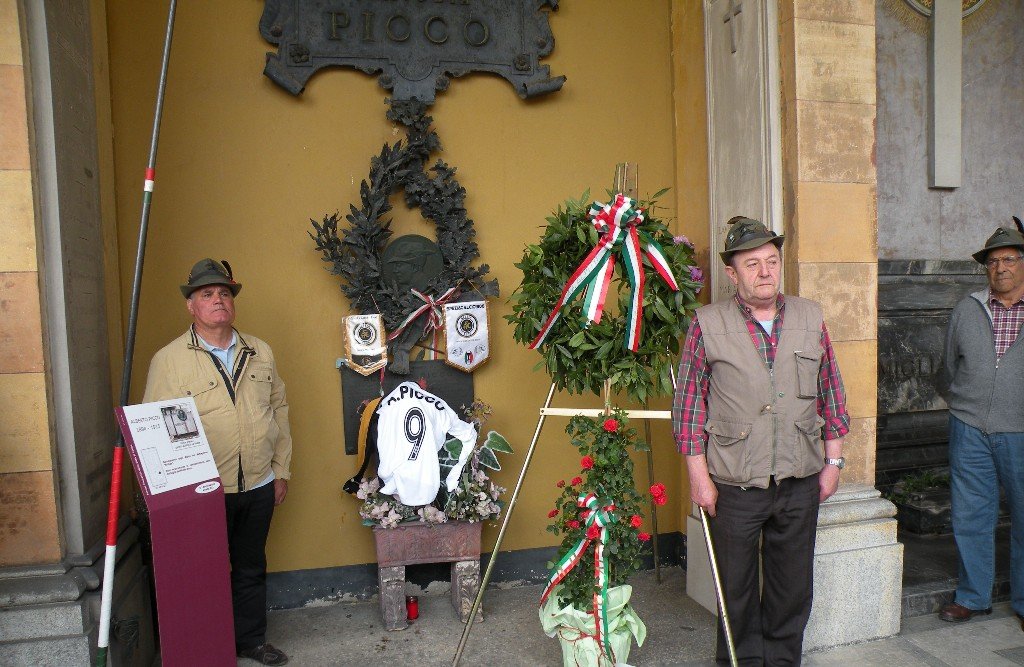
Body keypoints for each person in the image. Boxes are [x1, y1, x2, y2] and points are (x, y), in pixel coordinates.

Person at [672, 217, 849, 665]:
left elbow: (831, 392)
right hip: (734, 483)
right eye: (752, 264)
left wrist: (833, 463)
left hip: (799, 477)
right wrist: (699, 478)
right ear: (732, 274)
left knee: (793, 587)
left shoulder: (810, 317)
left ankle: (784, 662)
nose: (765, 271)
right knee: (735, 589)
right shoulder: (707, 324)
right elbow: (689, 408)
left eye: (772, 261)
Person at [144, 258, 292, 666]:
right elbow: (155, 427)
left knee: (250, 566)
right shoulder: (169, 360)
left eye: (224, 293)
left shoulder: (259, 351)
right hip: (203, 489)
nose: (218, 300)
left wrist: (281, 471)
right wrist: (173, 495)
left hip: (259, 482)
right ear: (191, 306)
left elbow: (279, 410)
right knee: (203, 573)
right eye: (206, 294)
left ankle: (251, 640)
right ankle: (210, 646)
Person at [941, 223, 1024, 628]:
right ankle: (973, 597)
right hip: (969, 426)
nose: (1000, 268)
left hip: (1021, 431)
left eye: (1009, 259)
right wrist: (963, 404)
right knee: (970, 515)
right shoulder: (967, 309)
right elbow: (947, 367)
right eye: (992, 262)